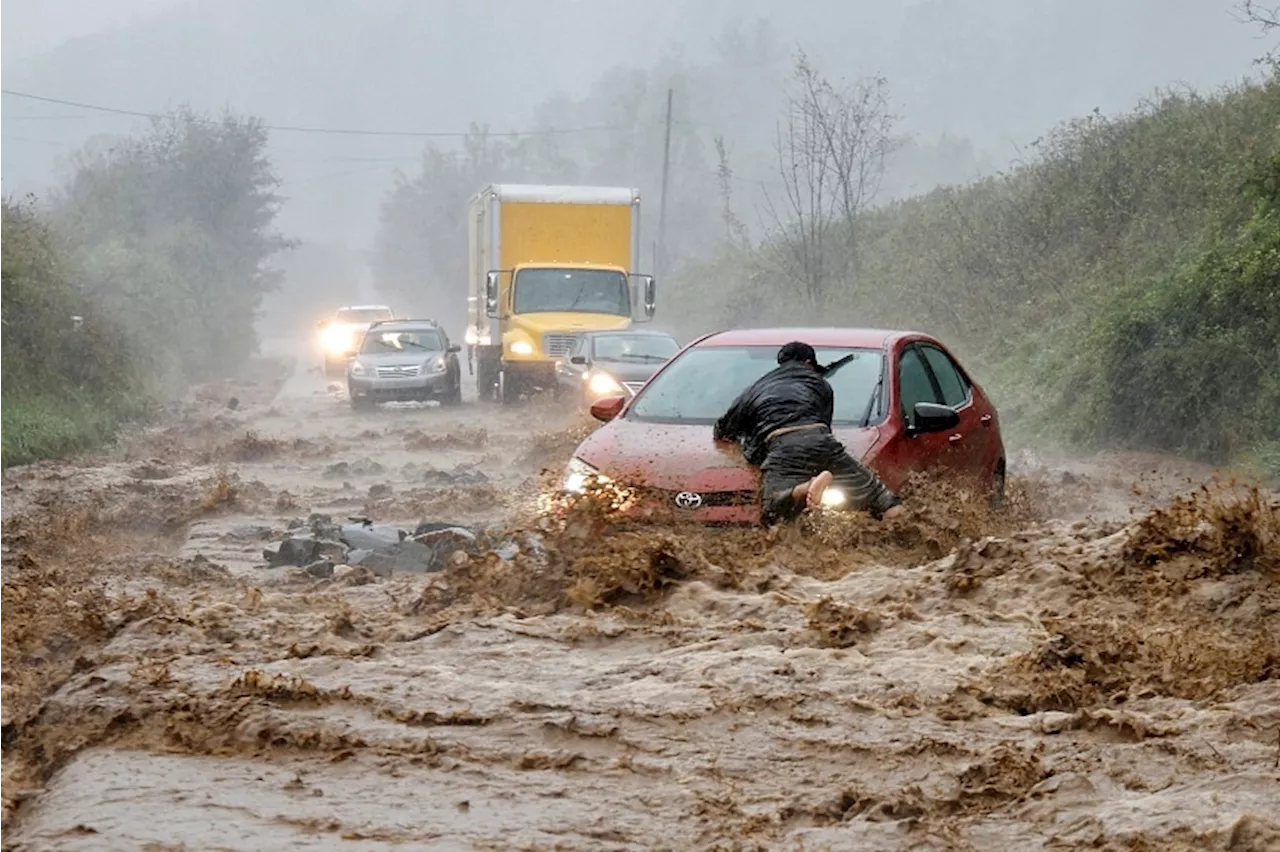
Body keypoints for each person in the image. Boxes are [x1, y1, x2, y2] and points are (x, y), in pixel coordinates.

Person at [713, 341, 906, 526]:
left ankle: (803, 489)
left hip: (783, 445)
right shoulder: (821, 385)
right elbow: (824, 426)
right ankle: (906, 539)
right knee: (882, 498)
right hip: (822, 440)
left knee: (770, 511)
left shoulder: (756, 389)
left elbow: (724, 429)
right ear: (808, 363)